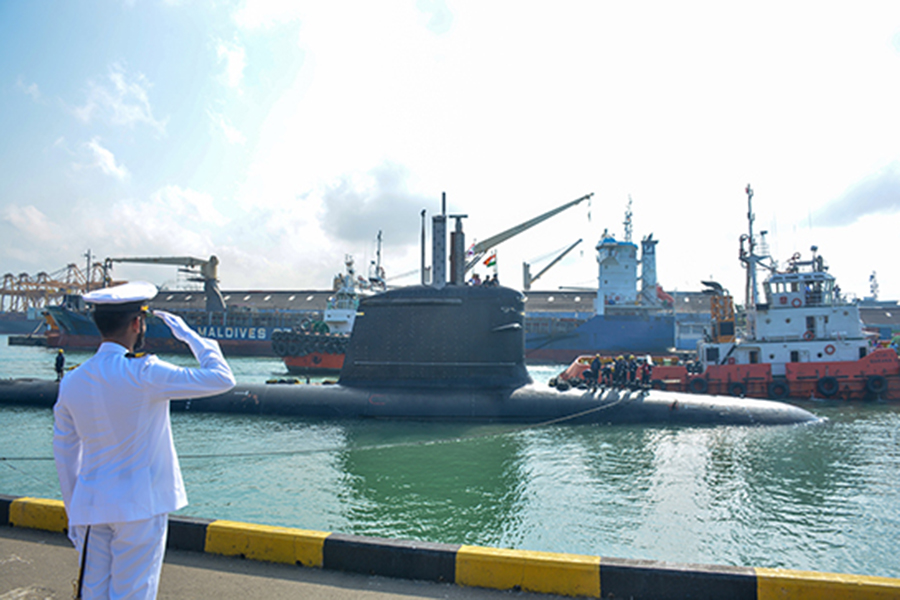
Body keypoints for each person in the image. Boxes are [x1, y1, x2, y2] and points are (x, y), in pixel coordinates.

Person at [53, 281, 236, 599]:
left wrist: (75, 511)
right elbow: (222, 378)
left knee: (92, 592)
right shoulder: (145, 372)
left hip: (91, 506)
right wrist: (192, 336)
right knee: (134, 592)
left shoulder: (72, 381)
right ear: (137, 323)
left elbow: (66, 454)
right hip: (140, 506)